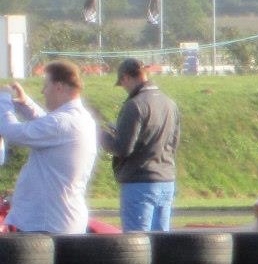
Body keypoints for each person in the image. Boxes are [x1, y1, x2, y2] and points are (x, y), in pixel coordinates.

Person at [1, 61, 98, 234]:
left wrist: (3, 99)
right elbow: (48, 123)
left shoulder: (63, 122)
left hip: (46, 224)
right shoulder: (79, 118)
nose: (42, 91)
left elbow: (11, 131)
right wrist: (25, 103)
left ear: (59, 86)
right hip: (59, 220)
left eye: (46, 85)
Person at [102, 57, 180, 232]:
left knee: (137, 246)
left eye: (122, 83)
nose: (124, 88)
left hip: (139, 183)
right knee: (161, 245)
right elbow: (174, 142)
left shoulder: (135, 105)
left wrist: (101, 135)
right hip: (166, 179)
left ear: (126, 78)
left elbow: (123, 148)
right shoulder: (170, 103)